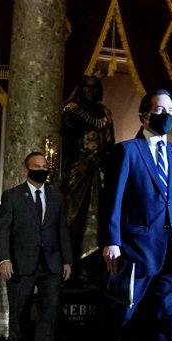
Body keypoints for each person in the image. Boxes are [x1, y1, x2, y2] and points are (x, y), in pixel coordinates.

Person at [92, 89, 172, 341]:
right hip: (135, 248)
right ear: (144, 115)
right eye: (159, 109)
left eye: (170, 109)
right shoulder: (127, 152)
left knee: (168, 318)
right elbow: (114, 198)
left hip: (171, 252)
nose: (166, 114)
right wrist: (111, 240)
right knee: (122, 313)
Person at [0, 151, 72, 341]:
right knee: (20, 310)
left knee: (49, 310)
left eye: (44, 166)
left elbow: (62, 230)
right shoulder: (12, 196)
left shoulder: (57, 197)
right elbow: (2, 231)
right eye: (37, 167)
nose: (42, 170)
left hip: (51, 263)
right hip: (21, 263)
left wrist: (67, 260)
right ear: (26, 170)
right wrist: (4, 259)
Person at [61, 75, 115, 270]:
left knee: (97, 217)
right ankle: (71, 260)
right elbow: (66, 140)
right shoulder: (72, 110)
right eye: (87, 88)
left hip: (97, 170)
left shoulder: (104, 113)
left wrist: (103, 158)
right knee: (73, 215)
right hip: (78, 168)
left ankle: (89, 265)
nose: (90, 92)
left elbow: (110, 143)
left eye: (94, 88)